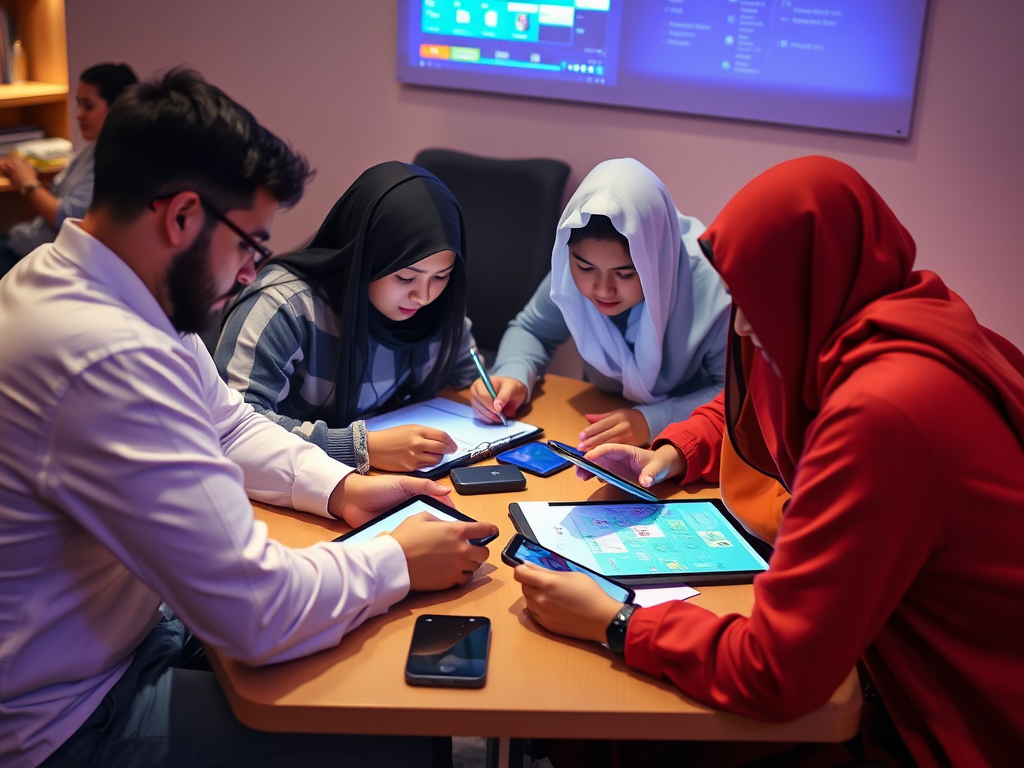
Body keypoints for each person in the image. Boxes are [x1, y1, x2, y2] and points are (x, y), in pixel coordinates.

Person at [0, 69, 496, 768]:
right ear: (180, 217)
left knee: (370, 669)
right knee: (404, 739)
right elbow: (254, 612)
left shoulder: (96, 287)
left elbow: (228, 425)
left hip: (131, 633)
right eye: (251, 245)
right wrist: (396, 560)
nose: (248, 274)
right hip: (74, 718)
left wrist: (339, 488)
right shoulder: (104, 359)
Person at [514, 156, 1024, 767]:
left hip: (955, 718)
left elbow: (779, 671)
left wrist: (618, 623)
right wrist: (676, 452)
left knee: (614, 733)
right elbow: (749, 402)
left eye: (755, 301)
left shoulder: (886, 412)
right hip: (896, 661)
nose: (745, 326)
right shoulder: (892, 318)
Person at [215, 162, 479, 473]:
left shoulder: (437, 303)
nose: (423, 296)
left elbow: (466, 377)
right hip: (293, 487)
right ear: (364, 258)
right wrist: (358, 447)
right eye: (406, 278)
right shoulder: (285, 305)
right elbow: (233, 427)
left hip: (390, 476)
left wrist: (492, 388)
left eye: (442, 276)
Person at [469, 158, 731, 451]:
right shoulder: (570, 273)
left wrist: (653, 420)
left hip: (693, 444)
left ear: (657, 260)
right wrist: (513, 373)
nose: (602, 289)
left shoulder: (711, 287)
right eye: (585, 267)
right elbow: (532, 330)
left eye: (625, 273)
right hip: (600, 432)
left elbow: (735, 395)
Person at [0, 62, 138, 277]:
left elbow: (69, 218)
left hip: (37, 259)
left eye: (88, 106)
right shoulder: (91, 149)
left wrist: (28, 184)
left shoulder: (113, 159)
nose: (78, 114)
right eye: (78, 104)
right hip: (24, 243)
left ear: (116, 109)